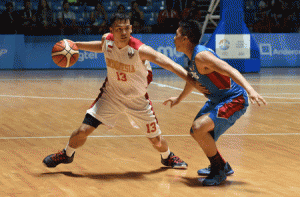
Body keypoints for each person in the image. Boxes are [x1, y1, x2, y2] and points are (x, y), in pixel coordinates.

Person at [43, 13, 206, 170]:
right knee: (82, 131)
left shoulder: (141, 50)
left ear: (131, 29)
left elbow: (171, 65)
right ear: (111, 30)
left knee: (156, 141)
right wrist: (76, 45)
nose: (123, 32)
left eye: (127, 28)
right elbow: (101, 46)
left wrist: (193, 80)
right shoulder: (106, 41)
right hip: (111, 96)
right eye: (119, 29)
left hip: (137, 101)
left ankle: (167, 156)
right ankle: (67, 154)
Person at [163, 20, 267, 186]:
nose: (173, 38)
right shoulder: (192, 59)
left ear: (185, 39)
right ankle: (221, 165)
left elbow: (231, 69)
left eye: (177, 35)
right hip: (218, 100)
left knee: (199, 129)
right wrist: (179, 98)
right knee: (196, 131)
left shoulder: (201, 56)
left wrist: (251, 90)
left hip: (235, 99)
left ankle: (219, 169)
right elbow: (193, 80)